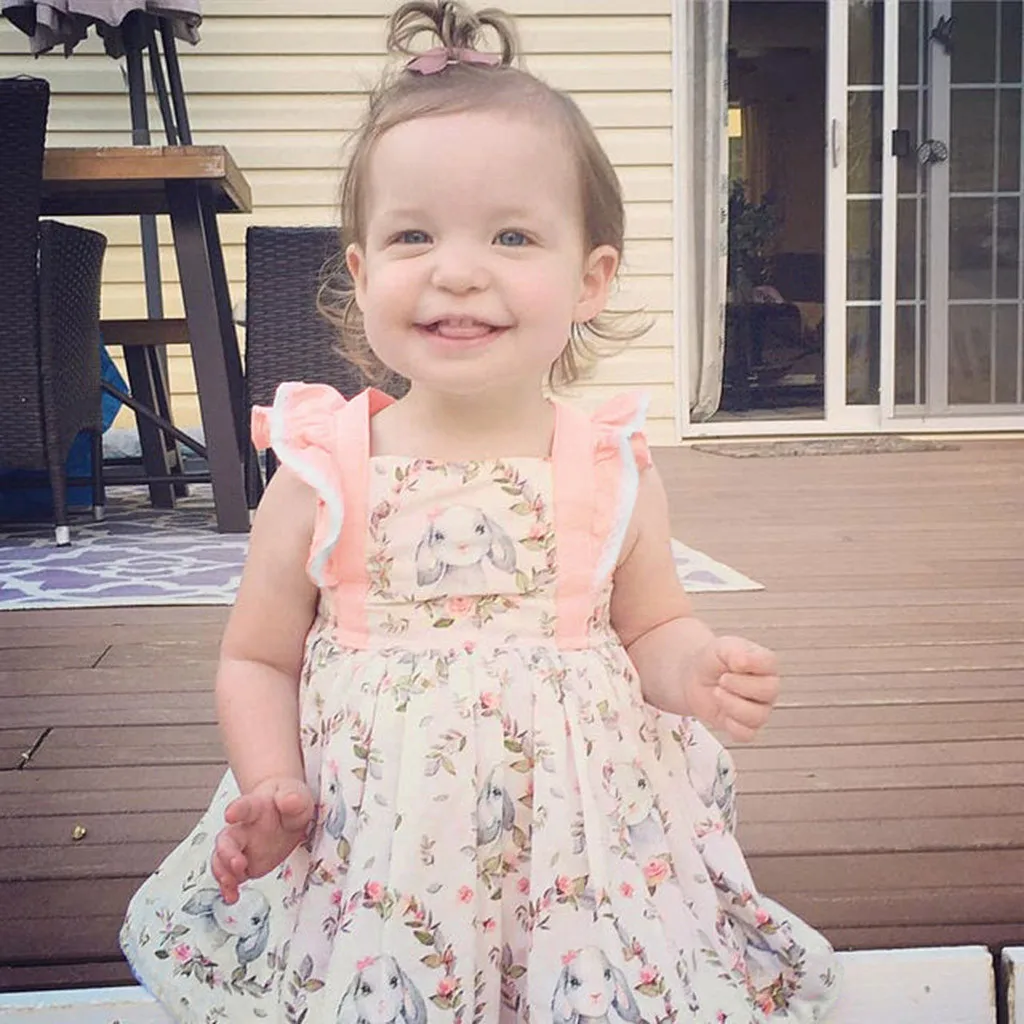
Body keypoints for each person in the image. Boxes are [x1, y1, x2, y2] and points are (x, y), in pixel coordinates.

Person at [120, 2, 840, 1020]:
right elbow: (257, 658)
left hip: (577, 849)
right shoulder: (324, 469)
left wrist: (697, 672)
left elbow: (653, 626)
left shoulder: (608, 466)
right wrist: (271, 783)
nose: (457, 270)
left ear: (589, 279)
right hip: (377, 846)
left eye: (511, 235)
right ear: (363, 272)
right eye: (413, 235)